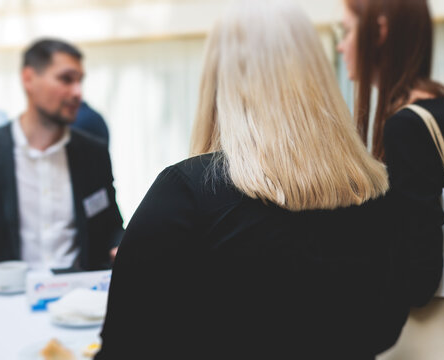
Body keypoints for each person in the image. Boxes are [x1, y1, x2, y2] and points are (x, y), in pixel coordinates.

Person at [96, 1, 409, 358]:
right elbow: (387, 326)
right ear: (319, 76)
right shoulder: (377, 193)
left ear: (218, 79)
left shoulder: (186, 193)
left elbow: (124, 345)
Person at [337, 0, 444, 307]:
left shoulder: (406, 127)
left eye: (346, 31)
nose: (340, 46)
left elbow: (420, 273)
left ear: (380, 31)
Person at [0, 38, 124, 271]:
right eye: (66, 79)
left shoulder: (93, 153)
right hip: (7, 301)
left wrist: (121, 246)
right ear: (28, 79)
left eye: (79, 82)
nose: (77, 93)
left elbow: (111, 226)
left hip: (80, 296)